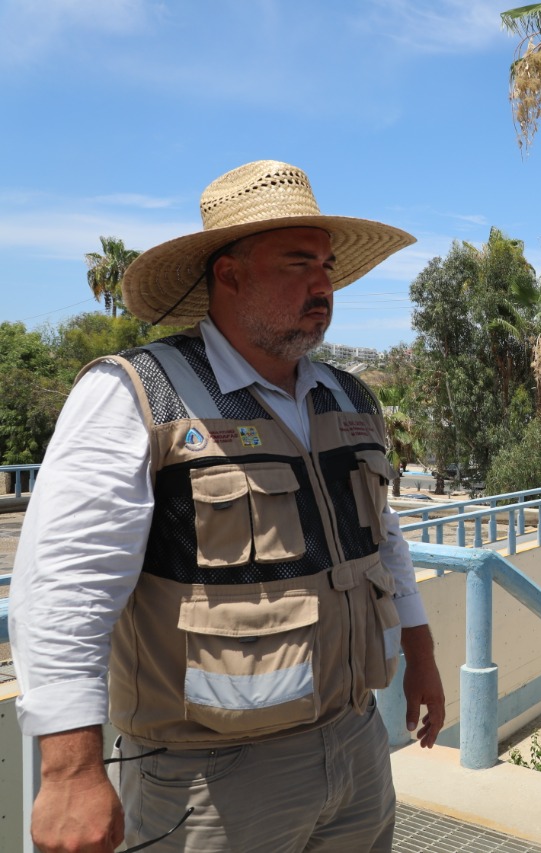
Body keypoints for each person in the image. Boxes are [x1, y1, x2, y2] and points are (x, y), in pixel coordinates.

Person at [10, 160, 447, 853]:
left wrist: (419, 650)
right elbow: (66, 582)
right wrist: (69, 769)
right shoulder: (138, 393)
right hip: (209, 779)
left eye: (328, 265)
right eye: (298, 263)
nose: (323, 284)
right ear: (230, 275)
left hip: (358, 744)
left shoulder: (349, 396)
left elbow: (382, 537)